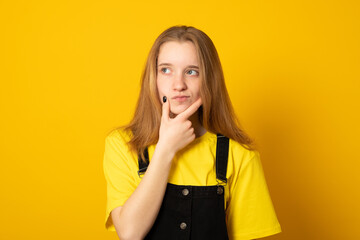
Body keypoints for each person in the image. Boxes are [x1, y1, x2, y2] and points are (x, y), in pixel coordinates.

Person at [103, 25, 281, 240]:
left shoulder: (239, 155)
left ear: (209, 80)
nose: (178, 85)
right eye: (166, 70)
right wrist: (166, 150)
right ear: (154, 78)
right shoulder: (122, 145)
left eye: (191, 72)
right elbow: (130, 234)